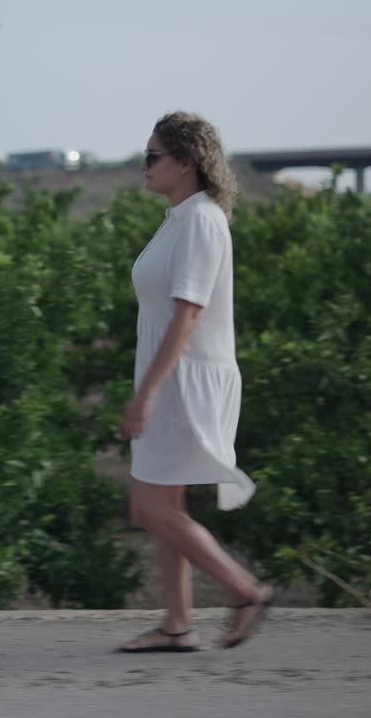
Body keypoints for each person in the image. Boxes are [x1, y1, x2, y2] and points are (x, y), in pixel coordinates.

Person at [118, 111, 273, 653]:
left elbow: (188, 315)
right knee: (167, 504)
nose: (145, 165)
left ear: (186, 162)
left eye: (153, 156)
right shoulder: (178, 217)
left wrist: (147, 393)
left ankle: (244, 590)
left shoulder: (203, 221)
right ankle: (178, 622)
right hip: (171, 375)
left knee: (150, 507)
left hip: (184, 380)